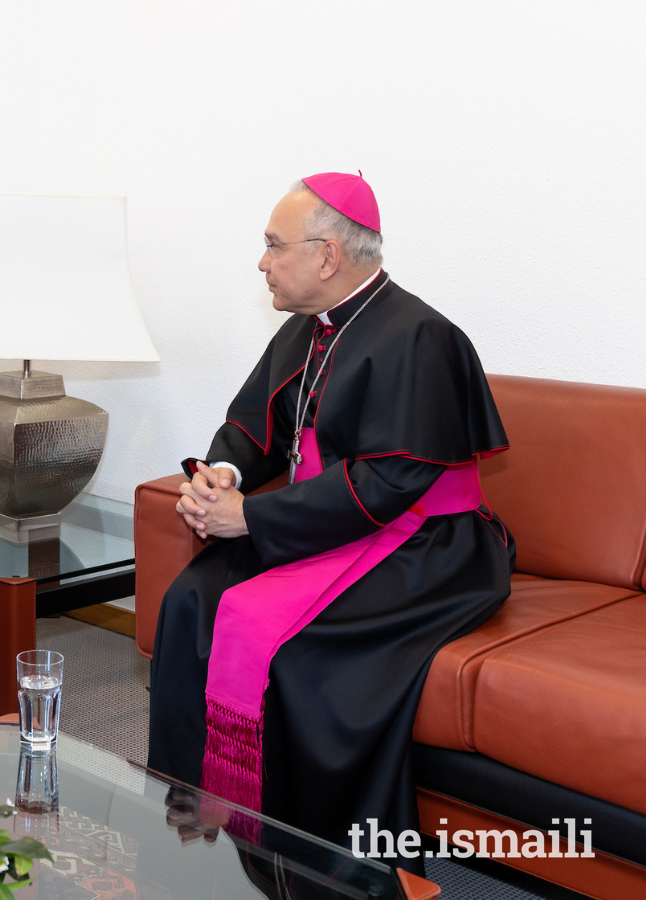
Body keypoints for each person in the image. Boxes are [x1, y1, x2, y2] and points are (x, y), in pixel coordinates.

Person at [146, 172, 513, 875]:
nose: (262, 264)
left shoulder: (420, 337)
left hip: (427, 543)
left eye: (272, 247)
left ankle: (316, 864)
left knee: (303, 653)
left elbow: (393, 481)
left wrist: (251, 517)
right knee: (192, 600)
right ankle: (198, 820)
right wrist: (221, 478)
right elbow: (252, 427)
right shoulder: (303, 333)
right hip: (326, 524)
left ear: (326, 255)